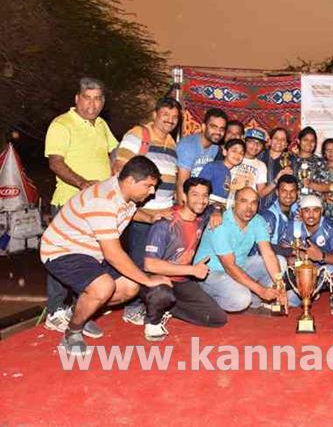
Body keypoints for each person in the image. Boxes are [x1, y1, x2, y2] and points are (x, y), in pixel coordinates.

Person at [40, 156, 171, 355]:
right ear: (131, 181)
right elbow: (113, 254)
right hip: (62, 250)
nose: (152, 192)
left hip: (90, 252)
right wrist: (148, 280)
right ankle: (72, 332)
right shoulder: (103, 200)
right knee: (103, 287)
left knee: (130, 286)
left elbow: (127, 212)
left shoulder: (122, 191)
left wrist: (151, 217)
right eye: (148, 186)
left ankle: (78, 311)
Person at [44, 77, 118, 338]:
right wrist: (83, 183)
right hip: (69, 204)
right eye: (87, 98)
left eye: (97, 99)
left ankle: (80, 311)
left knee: (89, 259)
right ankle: (55, 311)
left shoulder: (101, 125)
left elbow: (115, 152)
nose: (92, 104)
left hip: (97, 208)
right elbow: (55, 162)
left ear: (103, 102)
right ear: (77, 98)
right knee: (62, 257)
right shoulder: (61, 124)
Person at [112, 96, 181, 326]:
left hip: (164, 213)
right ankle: (132, 307)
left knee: (156, 261)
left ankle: (149, 305)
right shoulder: (138, 135)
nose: (170, 120)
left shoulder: (171, 142)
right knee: (137, 261)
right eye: (165, 115)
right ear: (155, 114)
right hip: (142, 213)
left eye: (174, 117)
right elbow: (120, 172)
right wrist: (141, 211)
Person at [141, 177, 227, 341]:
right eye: (195, 194)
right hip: (158, 280)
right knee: (162, 293)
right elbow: (150, 264)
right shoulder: (165, 223)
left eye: (205, 195)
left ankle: (168, 307)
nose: (201, 200)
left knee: (217, 318)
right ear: (184, 196)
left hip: (182, 281)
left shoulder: (202, 216)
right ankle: (152, 321)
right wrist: (192, 270)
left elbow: (218, 205)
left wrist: (217, 210)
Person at [194, 187, 288, 312]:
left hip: (239, 266)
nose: (249, 208)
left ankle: (256, 298)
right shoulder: (220, 223)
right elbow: (229, 267)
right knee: (241, 299)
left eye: (253, 203)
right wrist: (261, 290)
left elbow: (268, 254)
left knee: (280, 261)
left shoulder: (258, 221)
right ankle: (205, 299)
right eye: (244, 201)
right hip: (210, 273)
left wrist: (280, 285)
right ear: (234, 203)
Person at [279, 194, 333, 306]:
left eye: (316, 210)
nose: (311, 215)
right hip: (300, 271)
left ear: (322, 211)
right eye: (306, 210)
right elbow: (282, 249)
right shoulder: (293, 226)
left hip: (324, 270)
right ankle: (306, 291)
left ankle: (317, 290)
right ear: (300, 212)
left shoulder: (331, 227)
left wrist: (321, 256)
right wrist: (295, 256)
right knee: (289, 298)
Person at [175, 108, 227, 203]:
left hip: (198, 197)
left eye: (222, 129)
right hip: (182, 198)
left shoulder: (215, 147)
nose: (218, 132)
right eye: (214, 127)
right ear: (203, 127)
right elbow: (181, 183)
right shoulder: (188, 146)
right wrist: (182, 208)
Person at [292, 127, 333, 212]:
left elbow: (328, 187)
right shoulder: (291, 160)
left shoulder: (320, 162)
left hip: (315, 209)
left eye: (312, 141)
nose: (309, 143)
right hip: (294, 208)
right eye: (305, 140)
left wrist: (311, 184)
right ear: (298, 141)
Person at [259, 174, 300, 255]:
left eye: (292, 191)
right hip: (269, 257)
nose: (288, 195)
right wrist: (289, 253)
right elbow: (261, 247)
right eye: (284, 191)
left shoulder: (299, 211)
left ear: (297, 193)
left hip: (291, 254)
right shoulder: (268, 215)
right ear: (277, 192)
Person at [198, 139, 246, 207]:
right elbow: (200, 188)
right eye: (234, 151)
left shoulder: (228, 172)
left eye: (241, 153)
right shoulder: (213, 166)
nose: (237, 155)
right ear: (224, 152)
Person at [258, 127, 295, 210]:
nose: (279, 141)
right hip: (259, 206)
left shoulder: (292, 159)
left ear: (286, 144)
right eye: (276, 138)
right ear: (270, 141)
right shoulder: (259, 157)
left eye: (283, 139)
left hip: (282, 208)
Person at [232, 128, 269, 194]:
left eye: (259, 143)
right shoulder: (233, 157)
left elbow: (261, 192)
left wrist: (276, 180)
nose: (255, 146)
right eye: (252, 142)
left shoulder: (261, 166)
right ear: (244, 142)